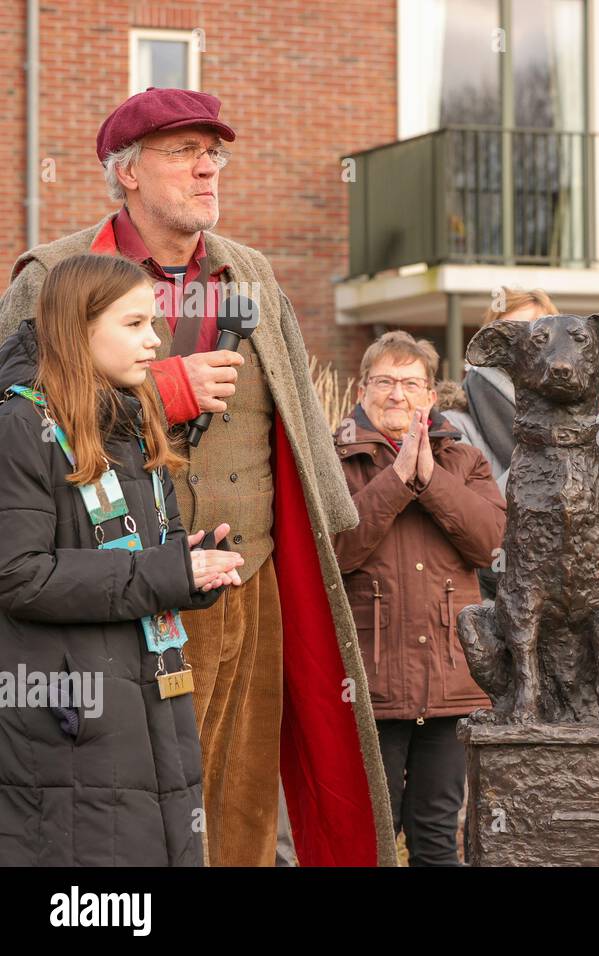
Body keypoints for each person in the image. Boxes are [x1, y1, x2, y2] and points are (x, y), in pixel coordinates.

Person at [0, 88, 393, 866]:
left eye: (214, 152)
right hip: (120, 600)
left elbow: (301, 441)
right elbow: (14, 404)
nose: (208, 167)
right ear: (128, 173)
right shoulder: (56, 277)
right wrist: (160, 391)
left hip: (252, 585)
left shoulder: (250, 273)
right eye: (183, 151)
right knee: (136, 816)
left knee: (242, 809)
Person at [0, 254, 243, 865]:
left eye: (153, 324)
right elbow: (19, 576)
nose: (155, 340)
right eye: (134, 325)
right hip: (68, 723)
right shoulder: (21, 424)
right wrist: (164, 572)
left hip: (151, 702)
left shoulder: (132, 419)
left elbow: (140, 554)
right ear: (78, 329)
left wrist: (191, 567)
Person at [333, 331, 506, 866]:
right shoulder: (334, 459)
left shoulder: (465, 460)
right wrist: (396, 478)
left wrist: (428, 478)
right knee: (372, 834)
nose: (397, 394)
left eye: (411, 383)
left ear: (431, 396)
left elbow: (489, 540)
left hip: (450, 678)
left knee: (436, 835)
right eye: (384, 381)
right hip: (369, 681)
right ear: (363, 390)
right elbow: (334, 550)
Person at [442, 288, 599, 602]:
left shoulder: (577, 420)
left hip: (576, 608)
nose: (531, 342)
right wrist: (545, 442)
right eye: (518, 331)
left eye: (542, 332)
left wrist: (596, 441)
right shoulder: (457, 423)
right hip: (500, 609)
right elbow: (479, 529)